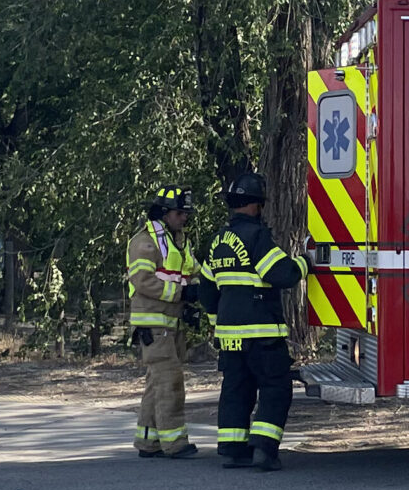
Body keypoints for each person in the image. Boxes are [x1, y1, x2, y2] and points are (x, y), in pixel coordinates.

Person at [206, 171, 302, 471]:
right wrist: (304, 263)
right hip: (261, 334)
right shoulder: (256, 236)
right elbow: (281, 274)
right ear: (255, 205)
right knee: (276, 388)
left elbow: (208, 291)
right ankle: (264, 449)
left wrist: (219, 324)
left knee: (236, 389)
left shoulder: (218, 240)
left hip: (229, 337)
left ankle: (233, 451)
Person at [125, 187, 202, 458]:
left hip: (172, 323)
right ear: (164, 212)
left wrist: (196, 294)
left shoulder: (177, 240)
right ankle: (174, 443)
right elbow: (143, 281)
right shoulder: (144, 242)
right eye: (180, 213)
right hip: (154, 326)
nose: (184, 218)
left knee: (156, 383)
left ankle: (148, 441)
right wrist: (182, 293)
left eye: (186, 213)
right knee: (170, 382)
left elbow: (192, 272)